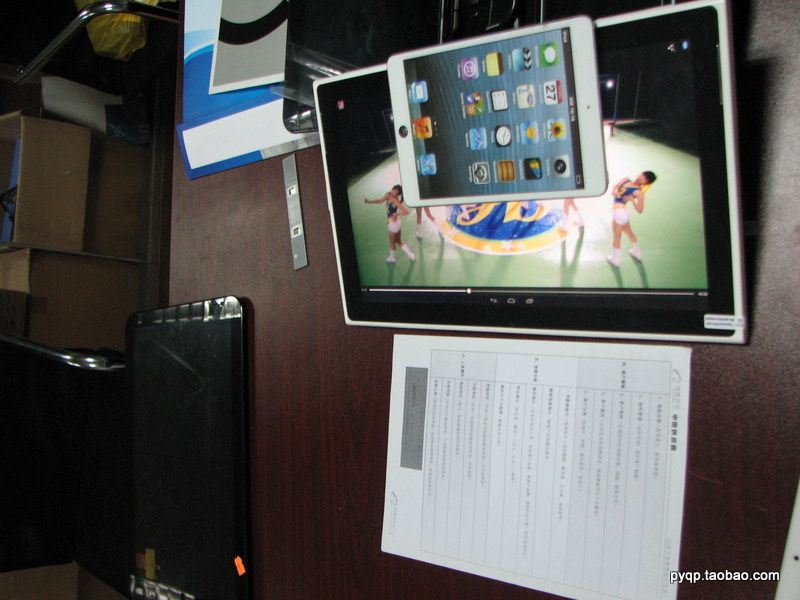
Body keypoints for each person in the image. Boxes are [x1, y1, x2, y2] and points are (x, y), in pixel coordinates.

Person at [607, 171, 656, 266]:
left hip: (620, 213)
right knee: (629, 232)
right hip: (622, 212)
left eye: (645, 179)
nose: (641, 178)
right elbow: (616, 186)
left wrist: (632, 200)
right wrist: (614, 192)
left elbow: (640, 210)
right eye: (643, 175)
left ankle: (615, 259)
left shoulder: (639, 192)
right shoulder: (626, 179)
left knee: (617, 237)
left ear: (646, 183)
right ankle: (637, 253)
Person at [363, 185, 416, 263]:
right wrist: (368, 201)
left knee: (392, 242)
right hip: (395, 223)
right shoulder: (388, 194)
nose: (394, 192)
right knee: (398, 241)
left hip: (393, 224)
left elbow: (406, 212)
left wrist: (396, 213)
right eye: (394, 190)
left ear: (398, 194)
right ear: (392, 189)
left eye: (397, 192)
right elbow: (380, 200)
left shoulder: (395, 201)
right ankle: (411, 256)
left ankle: (392, 258)